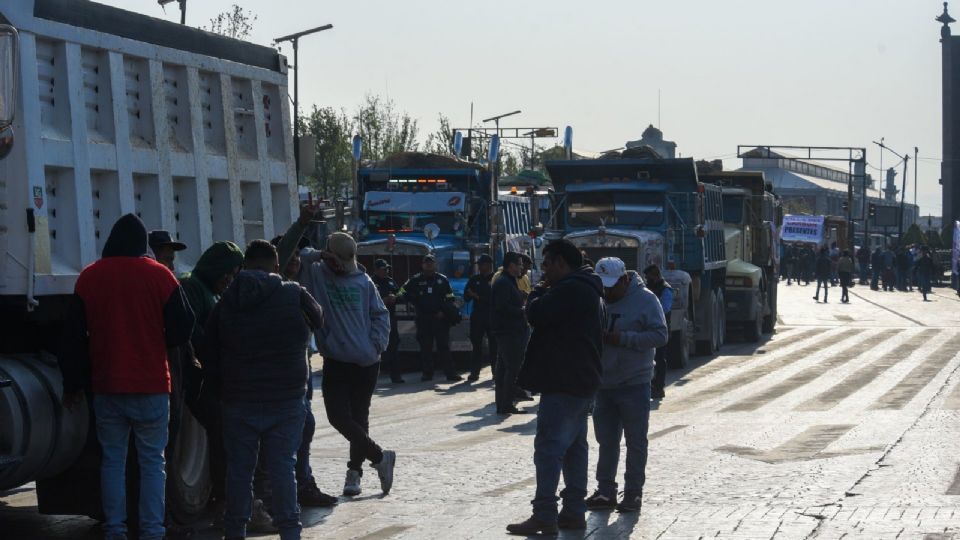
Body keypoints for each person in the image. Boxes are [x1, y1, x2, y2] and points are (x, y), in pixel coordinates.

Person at [59, 214, 195, 540]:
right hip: (151, 385)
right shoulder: (160, 276)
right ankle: (151, 530)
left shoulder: (89, 278)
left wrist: (73, 384)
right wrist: (157, 340)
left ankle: (115, 530)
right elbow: (183, 326)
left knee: (112, 462)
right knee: (152, 462)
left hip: (107, 386)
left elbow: (72, 337)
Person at [203, 240, 324, 540]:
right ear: (277, 266)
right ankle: (289, 532)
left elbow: (209, 349)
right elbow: (319, 319)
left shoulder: (226, 299)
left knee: (239, 471)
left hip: (238, 400)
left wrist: (222, 390)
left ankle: (235, 532)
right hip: (285, 399)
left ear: (244, 264)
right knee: (283, 468)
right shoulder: (293, 293)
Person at [277, 218, 395, 498]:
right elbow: (295, 257)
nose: (341, 267)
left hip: (366, 362)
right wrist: (321, 255)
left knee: (359, 417)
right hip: (335, 360)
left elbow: (380, 314)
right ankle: (380, 457)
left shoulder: (363, 281)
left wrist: (376, 343)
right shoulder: (315, 273)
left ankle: (354, 472)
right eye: (336, 260)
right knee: (338, 418)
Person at [507, 240, 604, 536]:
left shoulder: (571, 288)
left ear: (561, 262)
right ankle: (573, 511)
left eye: (547, 265)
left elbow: (536, 313)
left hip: (564, 380)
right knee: (574, 447)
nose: (544, 272)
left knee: (549, 449)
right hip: (580, 379)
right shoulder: (586, 287)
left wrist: (536, 292)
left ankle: (545, 514)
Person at [584, 257, 668, 514]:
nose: (607, 292)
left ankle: (632, 493)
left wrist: (623, 338)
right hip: (603, 384)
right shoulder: (597, 298)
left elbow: (660, 335)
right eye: (603, 287)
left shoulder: (646, 300)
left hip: (634, 382)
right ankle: (605, 490)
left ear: (624, 279)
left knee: (635, 441)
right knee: (606, 441)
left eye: (612, 286)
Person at [270, 235, 339, 508]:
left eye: (298, 256)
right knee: (295, 429)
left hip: (303, 365)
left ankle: (302, 483)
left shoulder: (303, 282)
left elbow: (308, 253)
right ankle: (287, 491)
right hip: (282, 372)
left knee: (305, 427)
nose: (296, 260)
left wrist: (320, 254)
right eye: (290, 255)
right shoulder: (272, 290)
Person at [179, 241, 245, 510]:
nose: (230, 279)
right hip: (198, 380)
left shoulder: (212, 292)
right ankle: (223, 497)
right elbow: (193, 332)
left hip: (212, 379)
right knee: (221, 432)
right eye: (228, 273)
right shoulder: (193, 287)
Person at [398, 255, 461, 382]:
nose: (429, 265)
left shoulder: (442, 280)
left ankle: (450, 374)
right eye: (426, 263)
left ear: (435, 265)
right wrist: (408, 299)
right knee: (426, 348)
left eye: (431, 263)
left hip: (440, 319)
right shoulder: (415, 280)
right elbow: (401, 292)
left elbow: (450, 298)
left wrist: (444, 312)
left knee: (443, 347)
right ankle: (427, 374)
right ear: (422, 265)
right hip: (423, 319)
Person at [491, 252, 529, 415]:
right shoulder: (503, 283)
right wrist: (523, 311)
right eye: (519, 264)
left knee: (503, 369)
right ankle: (506, 403)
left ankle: (503, 403)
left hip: (511, 330)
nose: (522, 267)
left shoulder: (510, 281)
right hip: (508, 332)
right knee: (511, 368)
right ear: (511, 265)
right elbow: (502, 307)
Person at [464, 254, 497, 382]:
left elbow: (493, 299)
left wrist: (477, 296)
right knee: (476, 345)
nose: (480, 267)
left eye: (482, 264)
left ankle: (496, 372)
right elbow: (467, 296)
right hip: (477, 316)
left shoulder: (495, 279)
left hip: (491, 316)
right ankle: (474, 373)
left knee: (494, 346)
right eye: (479, 265)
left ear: (488, 265)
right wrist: (472, 295)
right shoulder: (474, 279)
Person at [370, 259, 403, 383]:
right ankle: (372, 377)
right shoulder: (371, 282)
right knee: (375, 348)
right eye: (384, 269)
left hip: (390, 319)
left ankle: (396, 376)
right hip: (375, 320)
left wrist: (395, 298)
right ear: (377, 270)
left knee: (393, 347)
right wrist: (383, 301)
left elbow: (400, 294)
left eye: (387, 269)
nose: (386, 271)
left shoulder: (390, 281)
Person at [643, 264, 673, 399]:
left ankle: (659, 387)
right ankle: (650, 385)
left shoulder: (666, 289)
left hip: (661, 329)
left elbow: (665, 308)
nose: (647, 280)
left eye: (648, 277)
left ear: (655, 276)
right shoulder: (648, 288)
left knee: (660, 359)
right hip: (648, 329)